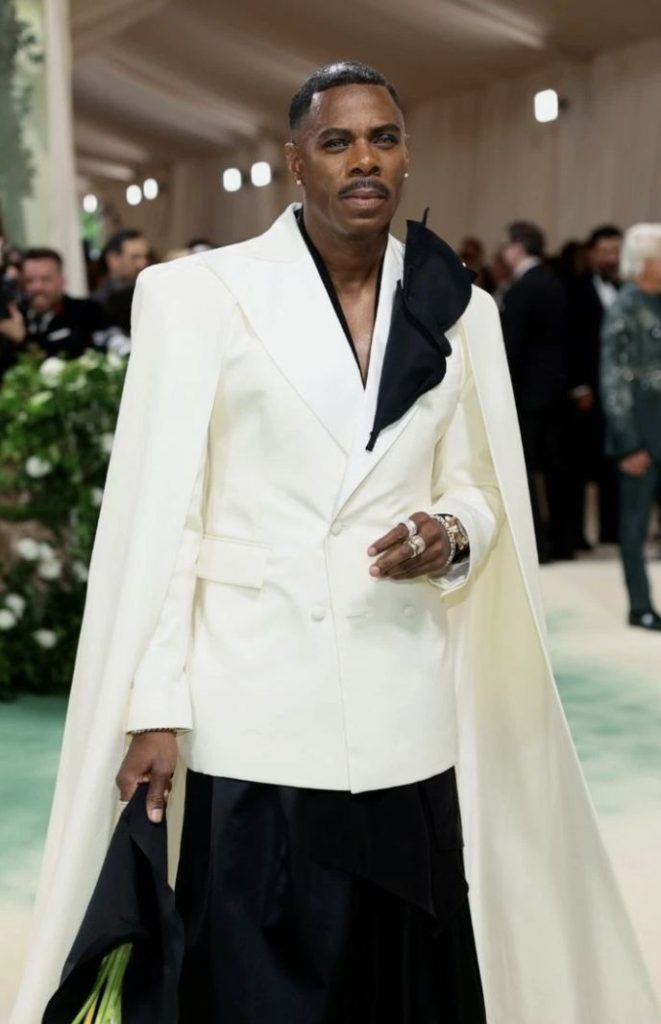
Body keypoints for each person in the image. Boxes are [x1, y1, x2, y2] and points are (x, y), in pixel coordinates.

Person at [11, 62, 659, 1024]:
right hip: (250, 705)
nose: (364, 159)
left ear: (405, 157)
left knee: (402, 988)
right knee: (255, 989)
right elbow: (167, 518)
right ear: (295, 162)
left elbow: (483, 488)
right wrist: (155, 707)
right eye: (337, 141)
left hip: (403, 706)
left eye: (383, 139)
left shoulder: (461, 309)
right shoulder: (199, 295)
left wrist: (451, 530)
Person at [500, 220, 574, 561]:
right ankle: (564, 542)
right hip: (556, 391)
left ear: (518, 248)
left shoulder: (522, 289)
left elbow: (510, 346)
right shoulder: (554, 283)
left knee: (525, 470)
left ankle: (537, 546)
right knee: (557, 469)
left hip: (527, 392)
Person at [601, 223, 661, 631]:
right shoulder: (624, 307)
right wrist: (627, 443)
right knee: (635, 523)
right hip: (640, 436)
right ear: (645, 262)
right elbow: (614, 380)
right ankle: (640, 606)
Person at [568, 225, 623, 548]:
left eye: (615, 251)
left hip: (619, 393)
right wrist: (579, 386)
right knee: (578, 465)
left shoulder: (629, 289)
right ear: (591, 254)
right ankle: (576, 535)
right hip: (586, 392)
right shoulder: (574, 289)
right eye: (605, 252)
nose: (611, 258)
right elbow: (570, 342)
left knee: (614, 462)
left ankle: (611, 532)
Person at [6, 248, 106, 367]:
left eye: (46, 279)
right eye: (30, 280)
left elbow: (76, 354)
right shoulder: (14, 316)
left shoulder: (87, 311)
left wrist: (23, 339)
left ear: (62, 281)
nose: (37, 287)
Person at [93, 229, 149, 334]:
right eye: (134, 257)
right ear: (113, 259)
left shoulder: (150, 292)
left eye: (144, 256)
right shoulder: (99, 304)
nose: (142, 263)